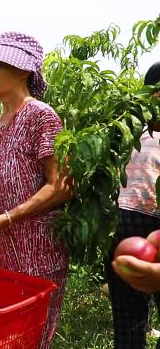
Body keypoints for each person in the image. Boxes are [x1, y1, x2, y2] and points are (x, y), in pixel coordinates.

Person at [0, 32, 74, 349]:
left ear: (24, 71)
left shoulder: (42, 117)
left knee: (30, 334)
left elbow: (61, 186)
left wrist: (6, 218)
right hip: (3, 249)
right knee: (2, 333)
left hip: (36, 251)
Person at [108, 61, 160, 348]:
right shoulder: (131, 131)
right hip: (130, 218)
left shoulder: (131, 130)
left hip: (128, 218)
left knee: (128, 313)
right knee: (129, 309)